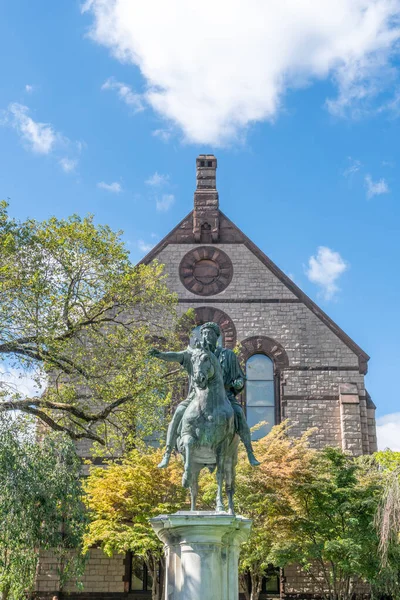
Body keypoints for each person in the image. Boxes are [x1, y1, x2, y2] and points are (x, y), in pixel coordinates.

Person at [149, 321, 260, 468]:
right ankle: (167, 453)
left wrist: (239, 383)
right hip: (196, 397)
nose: (207, 336)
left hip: (225, 397)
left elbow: (239, 377)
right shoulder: (195, 353)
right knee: (178, 412)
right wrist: (160, 355)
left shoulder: (228, 355)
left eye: (210, 333)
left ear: (217, 336)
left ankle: (250, 452)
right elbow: (177, 356)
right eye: (204, 333)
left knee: (239, 413)